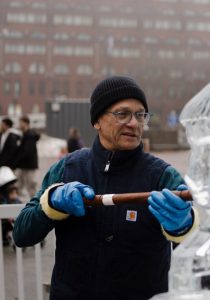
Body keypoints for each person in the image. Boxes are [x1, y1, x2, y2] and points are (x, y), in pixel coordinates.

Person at [13, 75, 199, 300]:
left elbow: (194, 258)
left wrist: (184, 227)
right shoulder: (66, 168)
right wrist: (50, 204)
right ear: (97, 121)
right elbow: (22, 234)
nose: (134, 123)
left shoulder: (162, 175)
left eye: (140, 115)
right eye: (122, 114)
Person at [12, 115, 40, 199]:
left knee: (30, 186)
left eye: (20, 123)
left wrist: (16, 162)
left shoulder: (29, 135)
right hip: (23, 165)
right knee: (19, 185)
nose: (19, 125)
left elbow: (27, 152)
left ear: (25, 123)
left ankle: (36, 204)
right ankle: (17, 202)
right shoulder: (25, 135)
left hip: (28, 166)